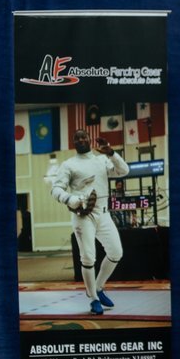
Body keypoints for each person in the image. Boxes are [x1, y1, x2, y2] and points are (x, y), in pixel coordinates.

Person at [51, 128, 129, 315]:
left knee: (116, 252)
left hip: (104, 214)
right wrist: (71, 199)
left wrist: (110, 153)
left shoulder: (101, 160)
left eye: (83, 136)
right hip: (83, 216)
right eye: (76, 138)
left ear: (89, 139)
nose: (80, 139)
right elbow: (55, 189)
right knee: (88, 258)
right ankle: (93, 298)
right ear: (73, 142)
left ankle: (99, 287)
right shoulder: (68, 165)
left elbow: (123, 171)